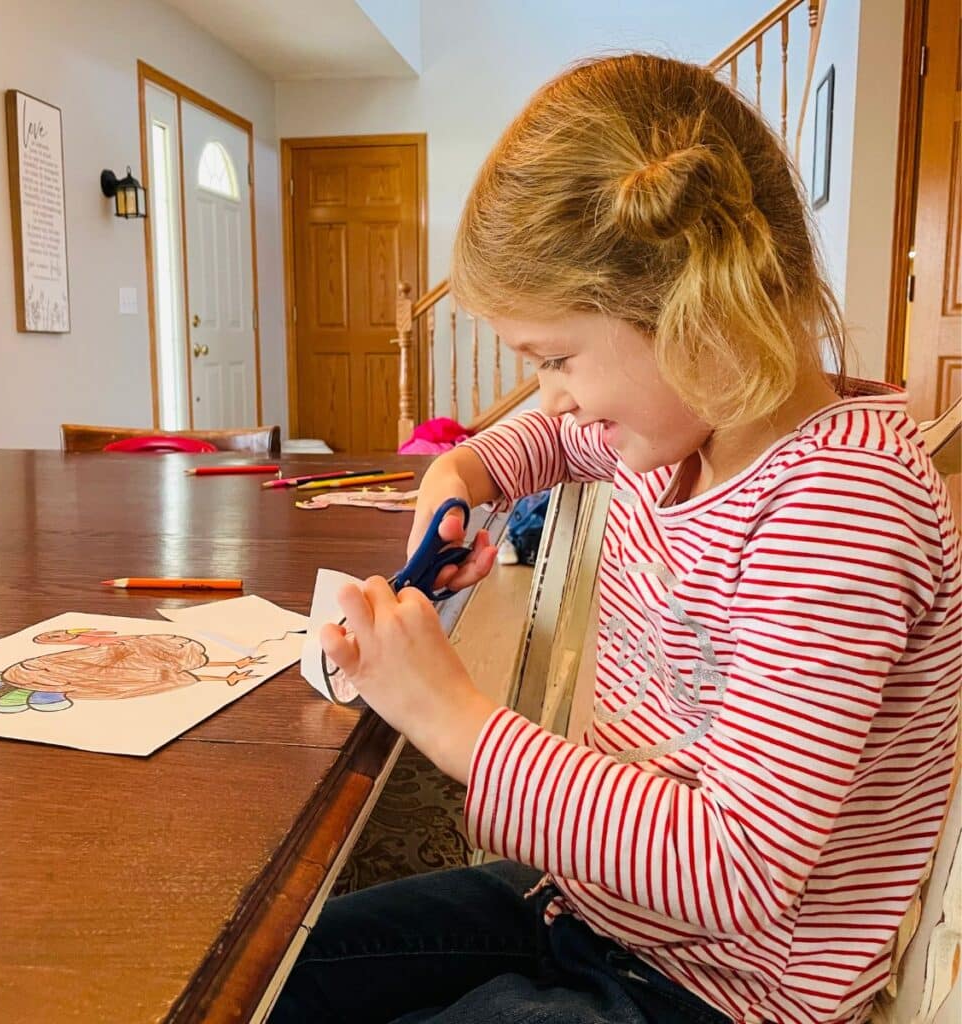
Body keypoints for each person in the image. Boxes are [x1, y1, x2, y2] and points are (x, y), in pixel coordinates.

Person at [270, 53, 961, 1024]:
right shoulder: (677, 422)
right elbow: (548, 435)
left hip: (726, 994)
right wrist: (458, 476)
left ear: (697, 309)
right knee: (275, 979)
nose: (551, 396)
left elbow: (738, 871)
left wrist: (454, 720)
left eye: (556, 358)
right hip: (592, 913)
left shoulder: (839, 504)